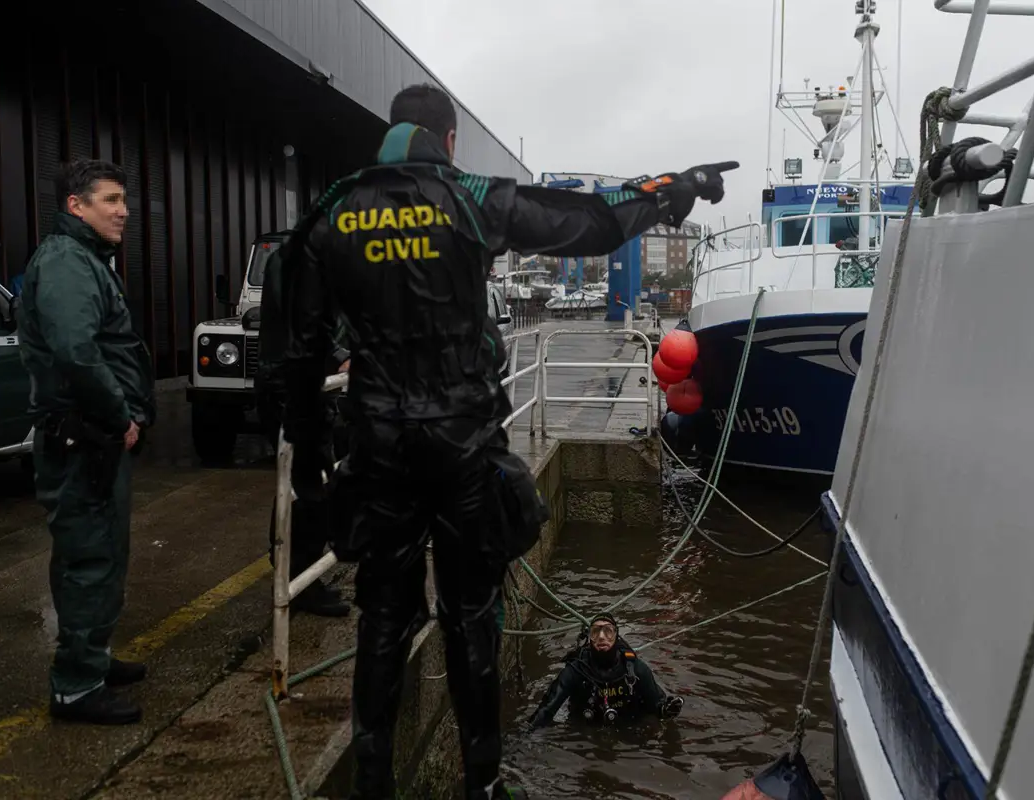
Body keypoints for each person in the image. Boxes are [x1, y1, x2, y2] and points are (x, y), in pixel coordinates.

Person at [276, 83, 735, 800]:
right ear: (448, 139)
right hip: (462, 448)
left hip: (380, 448)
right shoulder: (468, 198)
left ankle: (373, 787)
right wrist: (670, 192)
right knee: (470, 617)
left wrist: (310, 474)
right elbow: (585, 224)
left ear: (393, 132)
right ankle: (483, 783)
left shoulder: (332, 210)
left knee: (385, 618)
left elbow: (296, 353)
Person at [18, 159, 156, 725]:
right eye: (110, 199)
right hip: (83, 437)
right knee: (89, 556)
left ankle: (90, 656)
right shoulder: (68, 262)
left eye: (124, 199)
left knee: (100, 553)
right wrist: (120, 414)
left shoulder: (86, 259)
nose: (124, 210)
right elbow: (77, 351)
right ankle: (76, 686)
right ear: (76, 206)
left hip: (92, 436)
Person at [257, 245, 353, 616]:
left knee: (306, 484)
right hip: (286, 388)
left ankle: (295, 569)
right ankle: (296, 578)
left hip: (307, 386)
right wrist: (341, 354)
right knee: (309, 488)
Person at [527, 613, 683, 729]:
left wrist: (666, 710)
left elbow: (656, 703)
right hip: (586, 729)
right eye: (596, 632)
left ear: (616, 636)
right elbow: (547, 709)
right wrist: (527, 733)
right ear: (589, 638)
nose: (602, 637)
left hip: (628, 728)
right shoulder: (576, 669)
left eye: (608, 631)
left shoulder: (634, 667)